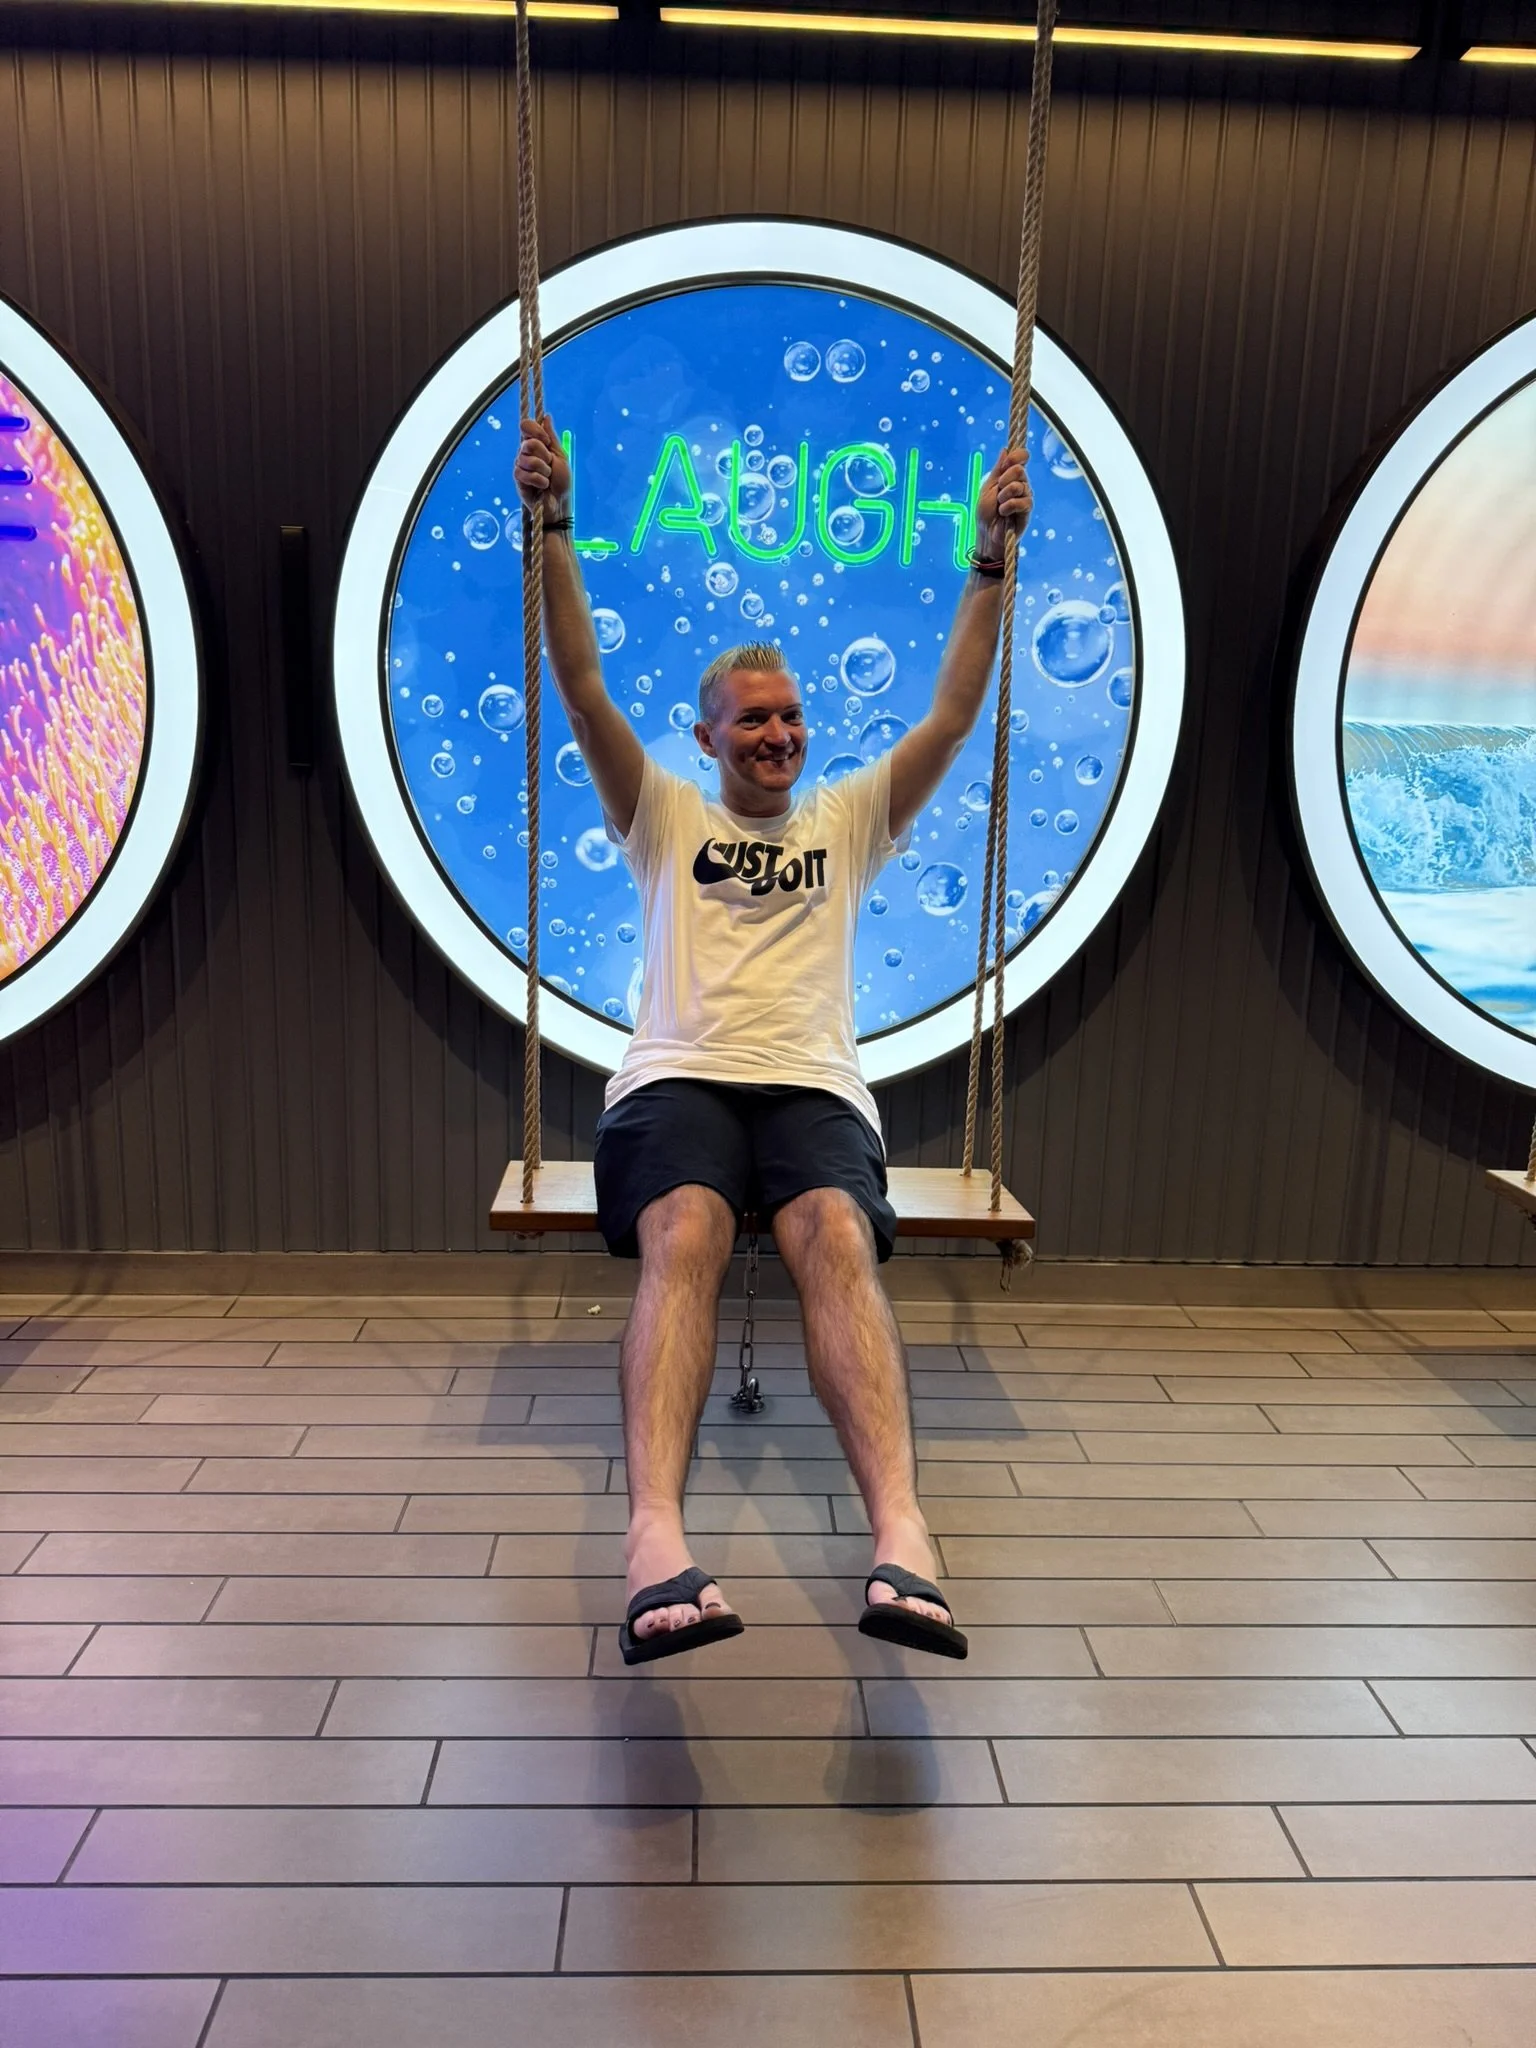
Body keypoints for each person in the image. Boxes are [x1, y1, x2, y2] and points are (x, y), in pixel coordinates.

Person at [514, 418, 1031, 1665]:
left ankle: (904, 1535)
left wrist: (989, 558)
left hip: (813, 1090)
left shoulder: (849, 817)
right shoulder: (662, 810)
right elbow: (581, 683)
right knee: (685, 1230)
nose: (779, 734)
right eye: (752, 719)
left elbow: (954, 715)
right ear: (706, 736)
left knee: (837, 1237)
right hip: (676, 1078)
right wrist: (553, 529)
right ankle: (653, 1541)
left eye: (791, 716)